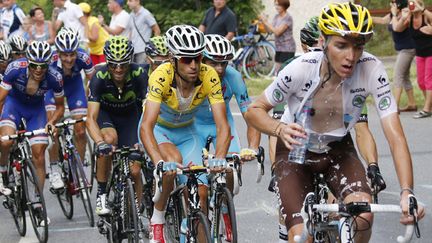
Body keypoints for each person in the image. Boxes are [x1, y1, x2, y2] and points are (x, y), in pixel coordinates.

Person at [245, 2, 425, 242]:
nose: (351, 57)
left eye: (358, 46)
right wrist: (279, 129)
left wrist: (406, 192)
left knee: (363, 215)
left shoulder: (372, 69)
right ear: (323, 41)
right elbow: (254, 111)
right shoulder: (300, 68)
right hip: (295, 149)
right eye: (341, 45)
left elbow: (396, 136)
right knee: (302, 236)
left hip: (338, 147)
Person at [139, 25, 230, 243]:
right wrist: (158, 162)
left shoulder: (209, 76)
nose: (194, 65)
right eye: (186, 60)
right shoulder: (161, 76)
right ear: (173, 59)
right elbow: (146, 126)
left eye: (198, 58)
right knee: (171, 167)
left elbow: (223, 126)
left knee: (202, 192)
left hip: (188, 132)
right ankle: (158, 219)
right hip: (160, 131)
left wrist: (219, 157)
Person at [0, 41, 65, 224]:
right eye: (34, 65)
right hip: (13, 106)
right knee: (5, 141)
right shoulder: (14, 69)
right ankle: (3, 171)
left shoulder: (54, 77)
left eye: (42, 66)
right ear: (28, 62)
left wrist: (52, 122)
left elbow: (60, 107)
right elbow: (1, 99)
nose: (38, 69)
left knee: (39, 151)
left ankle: (37, 201)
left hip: (36, 111)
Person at [86, 36, 149, 216]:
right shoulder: (99, 76)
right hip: (107, 116)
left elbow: (148, 109)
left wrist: (146, 138)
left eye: (123, 64)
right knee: (109, 141)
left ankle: (135, 213)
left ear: (130, 61)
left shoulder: (139, 74)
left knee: (135, 169)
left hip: (131, 117)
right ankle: (102, 194)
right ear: (107, 62)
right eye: (113, 64)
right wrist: (99, 143)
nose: (118, 69)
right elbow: (90, 118)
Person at [44, 28, 94, 190]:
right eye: (65, 55)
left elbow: (93, 81)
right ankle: (55, 168)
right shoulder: (49, 60)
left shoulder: (84, 57)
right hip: (51, 90)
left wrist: (90, 99)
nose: (69, 58)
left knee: (80, 130)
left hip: (74, 88)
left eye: (72, 54)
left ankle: (78, 164)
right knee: (54, 129)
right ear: (58, 53)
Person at [372, 0, 417, 112]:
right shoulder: (394, 14)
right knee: (405, 77)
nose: (391, 6)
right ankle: (412, 104)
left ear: (399, 5)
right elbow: (382, 20)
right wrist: (365, 15)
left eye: (393, 4)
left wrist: (395, 14)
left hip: (408, 49)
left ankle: (394, 106)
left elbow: (397, 27)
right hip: (402, 49)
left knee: (398, 76)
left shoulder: (406, 14)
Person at [393, 0, 432, 118]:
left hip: (431, 52)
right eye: (410, 3)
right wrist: (403, 17)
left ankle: (426, 109)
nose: (412, 5)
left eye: (415, 2)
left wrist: (423, 10)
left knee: (428, 80)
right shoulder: (409, 18)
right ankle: (429, 105)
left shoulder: (426, 16)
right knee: (421, 82)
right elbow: (397, 29)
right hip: (420, 54)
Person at [258, 0, 295, 73]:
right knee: (277, 71)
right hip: (279, 47)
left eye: (278, 5)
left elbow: (278, 32)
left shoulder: (288, 18)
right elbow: (270, 31)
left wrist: (266, 22)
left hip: (287, 48)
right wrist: (264, 23)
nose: (276, 7)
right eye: (275, 5)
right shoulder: (276, 17)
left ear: (284, 5)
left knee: (285, 71)